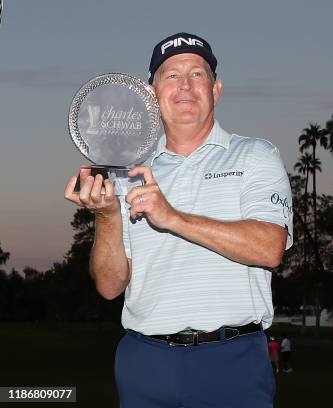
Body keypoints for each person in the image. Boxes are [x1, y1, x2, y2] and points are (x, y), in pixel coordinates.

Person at [64, 32, 293, 408]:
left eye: (197, 74)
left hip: (231, 362)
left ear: (216, 90)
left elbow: (269, 248)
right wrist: (106, 216)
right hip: (144, 361)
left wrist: (171, 216)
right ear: (152, 95)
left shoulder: (255, 155)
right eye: (171, 75)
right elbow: (108, 286)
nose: (185, 85)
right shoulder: (128, 172)